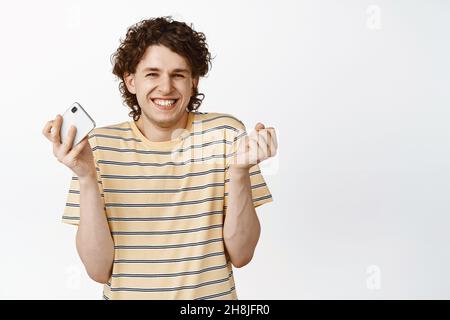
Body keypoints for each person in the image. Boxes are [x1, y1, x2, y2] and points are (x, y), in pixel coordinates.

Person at [42, 16, 277, 300]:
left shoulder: (226, 134)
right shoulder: (97, 148)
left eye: (178, 74)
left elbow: (242, 255)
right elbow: (98, 270)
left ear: (194, 81)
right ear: (130, 80)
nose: (166, 88)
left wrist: (240, 172)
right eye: (152, 74)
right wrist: (87, 177)